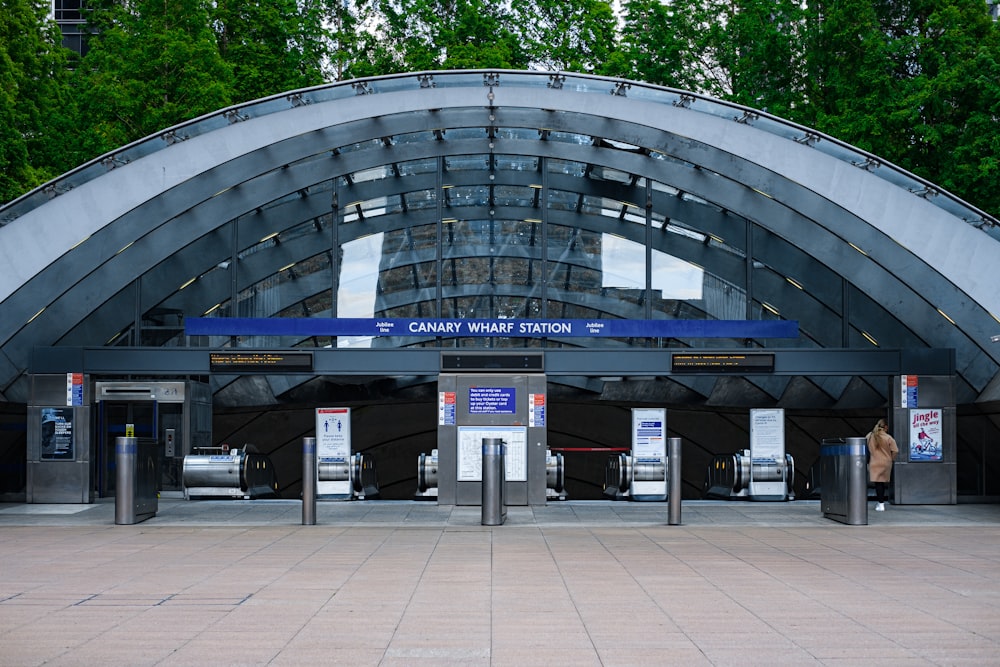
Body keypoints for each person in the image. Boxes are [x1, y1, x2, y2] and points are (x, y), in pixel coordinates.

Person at [866, 418, 899, 511]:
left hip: (874, 462)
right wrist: (890, 458)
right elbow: (895, 450)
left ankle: (880, 504)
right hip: (886, 462)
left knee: (878, 483)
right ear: (886, 427)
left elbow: (864, 445)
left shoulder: (870, 435)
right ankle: (881, 503)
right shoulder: (888, 438)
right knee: (883, 483)